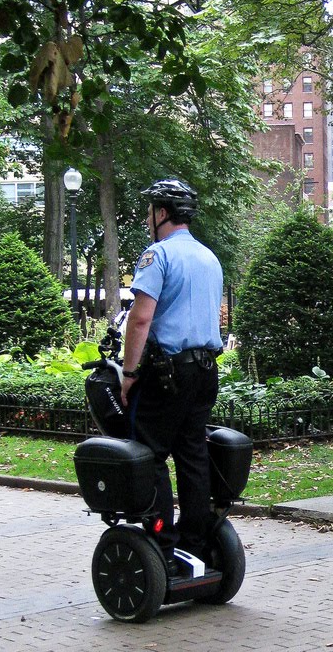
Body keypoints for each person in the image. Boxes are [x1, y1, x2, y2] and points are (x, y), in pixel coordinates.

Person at [119, 179, 224, 570]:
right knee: (193, 454)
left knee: (150, 453)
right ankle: (195, 541)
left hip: (169, 373)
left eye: (151, 211)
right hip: (206, 370)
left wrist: (129, 373)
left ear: (162, 213)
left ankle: (160, 540)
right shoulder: (209, 257)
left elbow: (141, 317)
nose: (149, 218)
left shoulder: (157, 255)